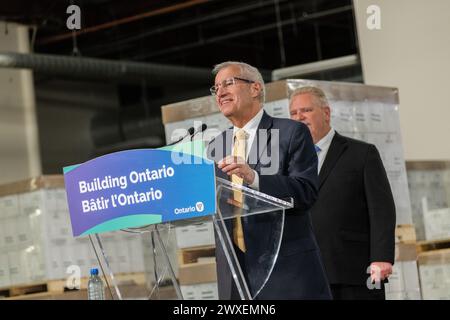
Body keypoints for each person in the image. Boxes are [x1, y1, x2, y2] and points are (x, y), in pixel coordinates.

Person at [207, 61, 331, 300]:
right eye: (216, 88)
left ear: (255, 88)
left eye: (228, 84)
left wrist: (254, 178)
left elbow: (306, 192)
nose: (220, 92)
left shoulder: (291, 132)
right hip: (234, 274)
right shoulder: (215, 146)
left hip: (284, 272)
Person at [289, 86, 396, 300]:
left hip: (354, 270)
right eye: (293, 113)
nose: (299, 117)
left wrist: (381, 257)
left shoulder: (362, 153)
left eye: (306, 110)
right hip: (306, 272)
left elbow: (382, 209)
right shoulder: (289, 162)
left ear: (326, 113)